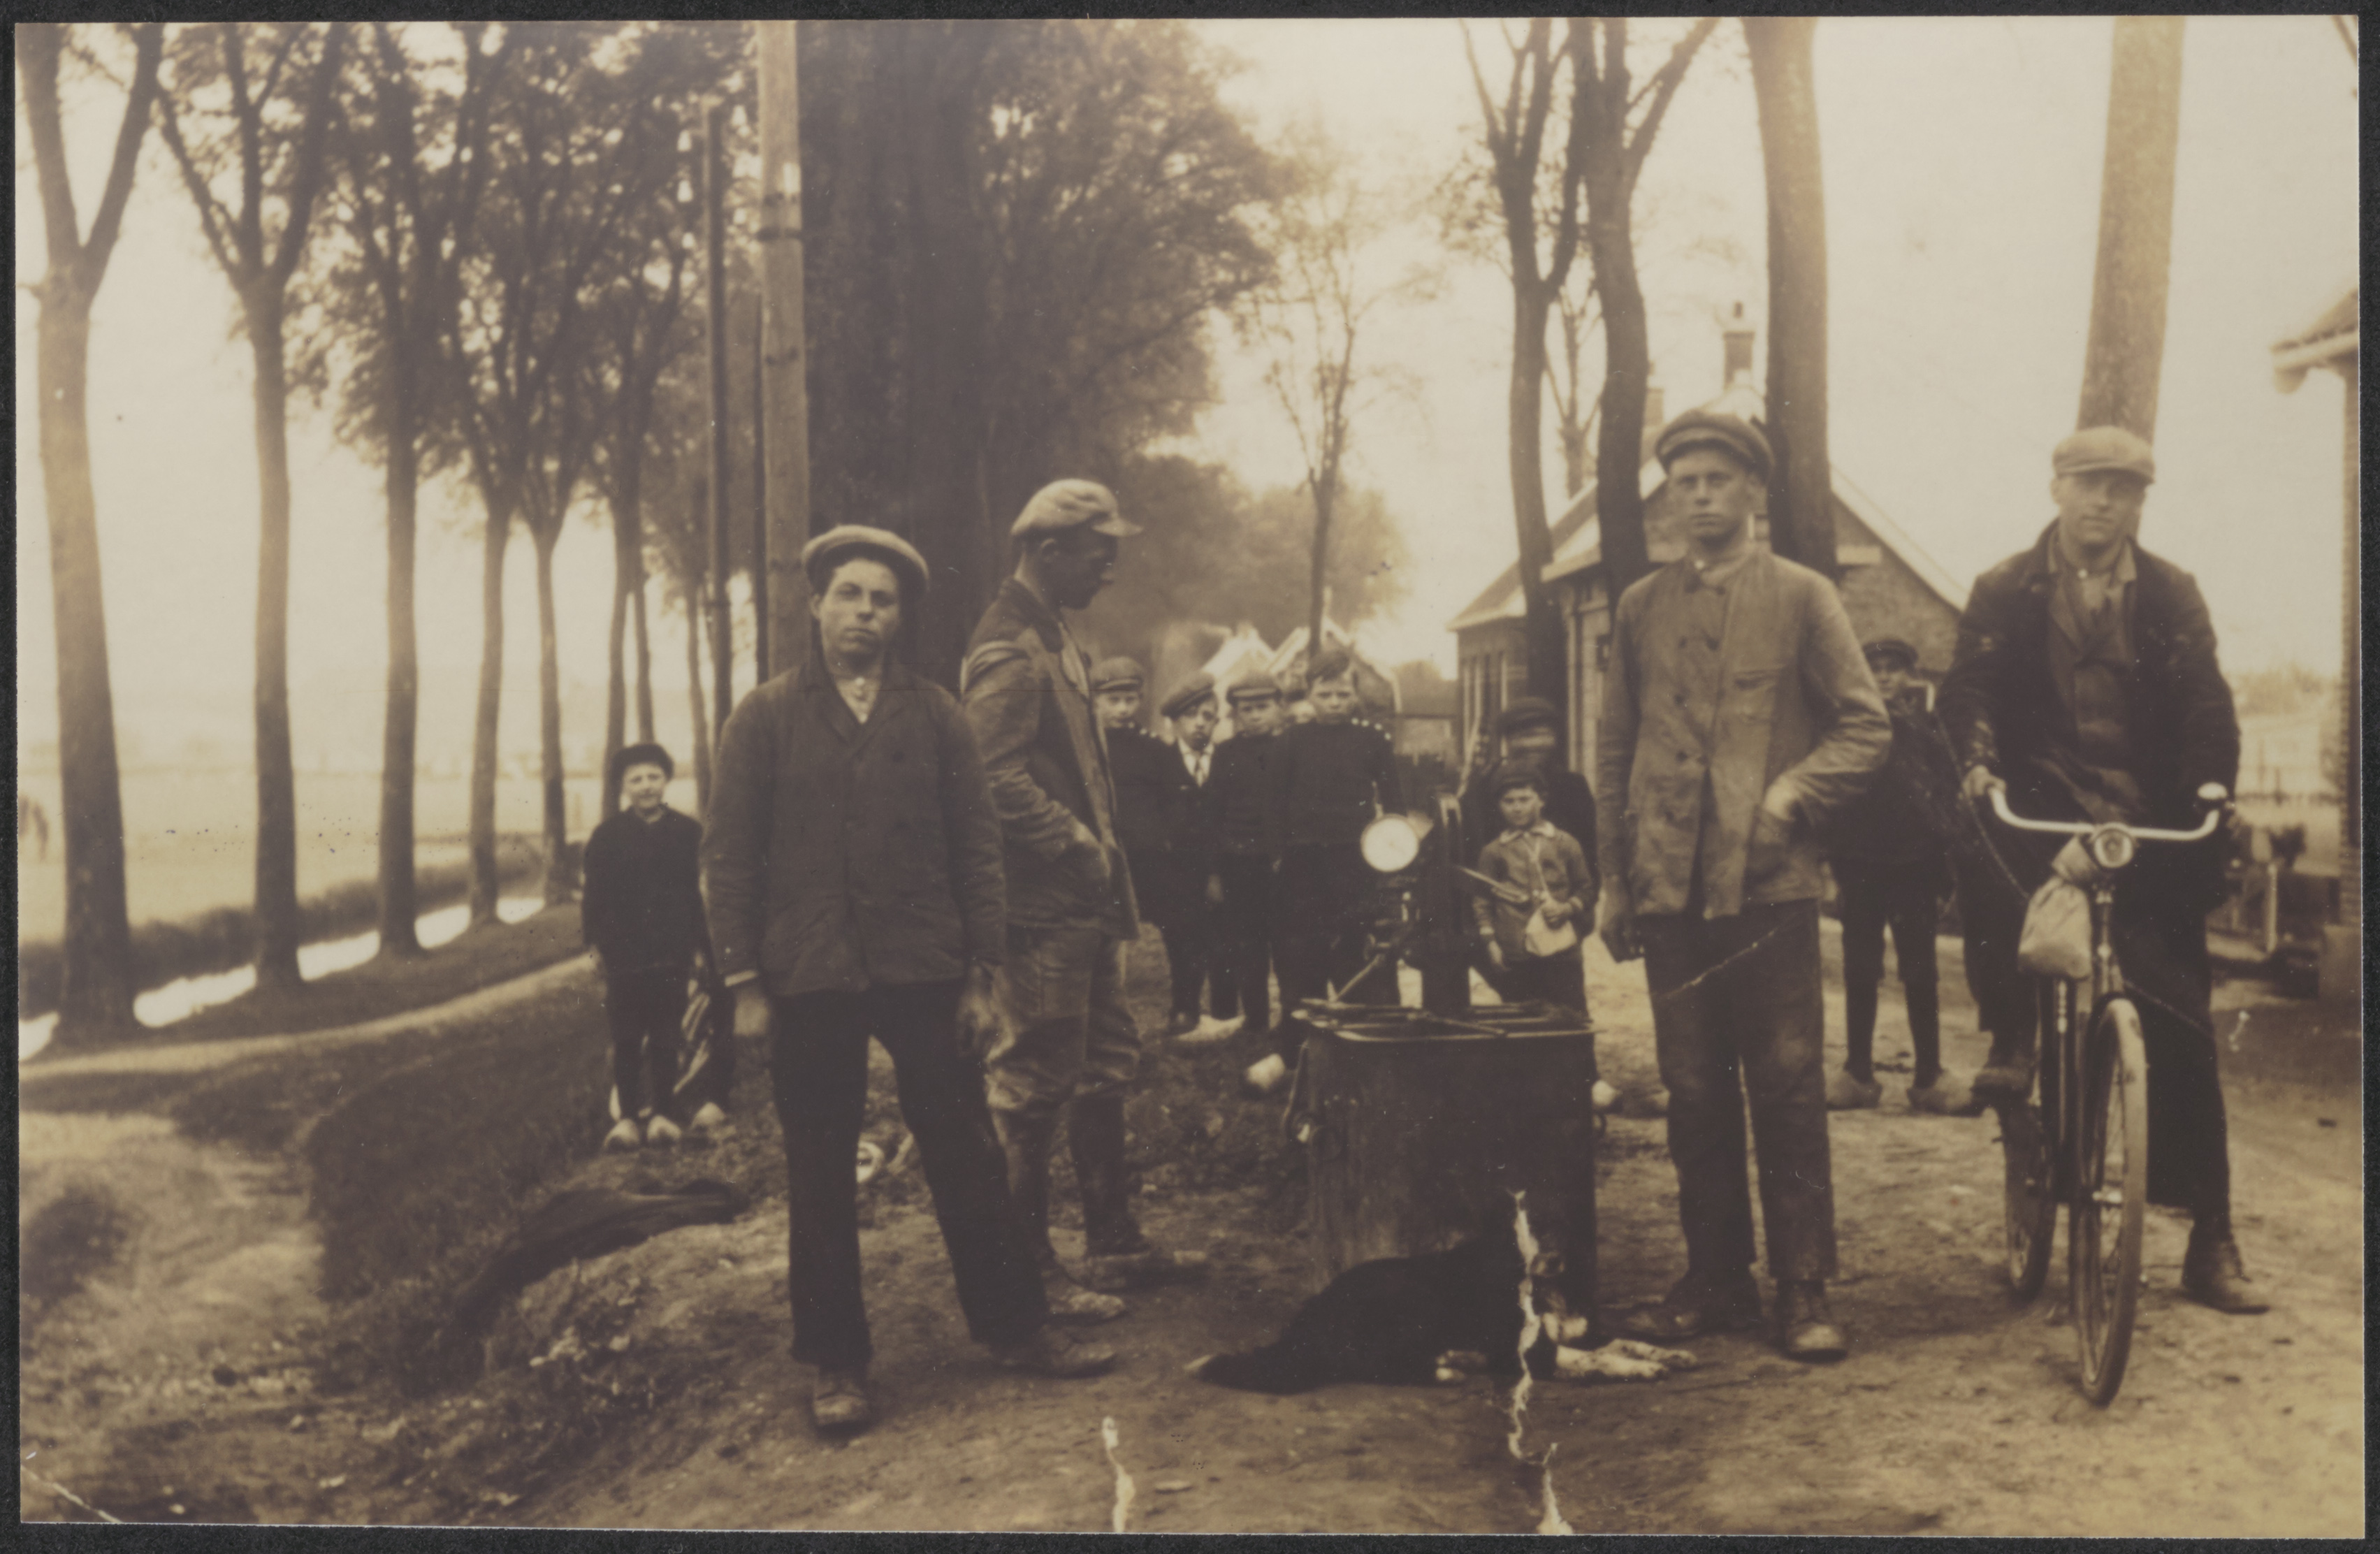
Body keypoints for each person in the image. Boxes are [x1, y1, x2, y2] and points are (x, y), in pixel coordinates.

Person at [704, 525, 1115, 1436]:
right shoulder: (763, 718)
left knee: (964, 1149)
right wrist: (744, 985)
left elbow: (978, 850)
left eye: (882, 601)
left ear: (900, 618)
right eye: (849, 595)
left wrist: (980, 975)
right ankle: (836, 1360)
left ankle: (1014, 1326)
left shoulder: (936, 716)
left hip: (923, 968)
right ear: (816, 604)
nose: (864, 613)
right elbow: (727, 858)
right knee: (819, 1167)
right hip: (807, 972)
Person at [1940, 426, 2261, 1315]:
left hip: (2146, 822)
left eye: (2124, 489)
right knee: (1989, 858)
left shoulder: (2169, 591)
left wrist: (2209, 784)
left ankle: (2209, 1236)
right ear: (2057, 488)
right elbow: (1969, 687)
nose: (2103, 502)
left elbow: (2205, 696)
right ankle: (2012, 1034)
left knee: (2182, 1022)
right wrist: (1978, 759)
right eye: (2089, 483)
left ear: (2139, 504)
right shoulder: (2005, 588)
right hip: (2042, 807)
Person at [1595, 409, 1890, 1362]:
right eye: (1683, 483)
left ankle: (1802, 1288)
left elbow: (1865, 726)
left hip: (1769, 888)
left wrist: (1791, 796)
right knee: (1691, 1088)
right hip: (1667, 890)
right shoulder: (1639, 606)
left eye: (1717, 480)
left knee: (1788, 1083)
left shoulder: (1803, 596)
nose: (1698, 497)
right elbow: (1614, 746)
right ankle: (1715, 1279)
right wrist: (1614, 878)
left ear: (1754, 491)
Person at [962, 480, 1207, 1298]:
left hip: (1083, 905)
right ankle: (1023, 1276)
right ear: (1047, 550)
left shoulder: (1054, 633)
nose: (1109, 571)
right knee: (1031, 1084)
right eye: (1098, 555)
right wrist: (1071, 839)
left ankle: (1112, 1241)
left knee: (1104, 1063)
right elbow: (987, 778)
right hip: (1039, 909)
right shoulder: (1009, 647)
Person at [1821, 639, 1971, 1116]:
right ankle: (1858, 1074)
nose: (1884, 676)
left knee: (1921, 970)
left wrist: (1945, 874)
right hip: (1860, 864)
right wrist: (1831, 866)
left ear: (1910, 676)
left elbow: (1946, 800)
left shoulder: (1928, 731)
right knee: (1860, 969)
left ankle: (1928, 1077)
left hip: (1915, 867)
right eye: (1875, 668)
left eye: (1893, 668)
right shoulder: (1848, 729)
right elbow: (1832, 796)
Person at [1246, 648, 1401, 1096]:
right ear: (1310, 695)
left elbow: (1395, 805)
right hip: (1303, 868)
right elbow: (1273, 807)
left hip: (1357, 865)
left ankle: (1369, 1050)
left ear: (1355, 695)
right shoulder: (1290, 742)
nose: (1334, 703)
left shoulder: (1373, 740)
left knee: (1360, 955)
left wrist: (1390, 856)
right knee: (1300, 959)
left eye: (1343, 694)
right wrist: (1280, 859)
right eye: (1325, 694)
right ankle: (1297, 1052)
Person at [582, 742, 713, 1151]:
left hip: (672, 953)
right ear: (623, 786)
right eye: (636, 779)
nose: (646, 786)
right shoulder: (607, 837)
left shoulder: (688, 833)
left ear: (667, 780)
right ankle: (626, 1120)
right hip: (623, 956)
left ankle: (662, 1114)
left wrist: (700, 948)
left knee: (667, 1035)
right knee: (625, 1036)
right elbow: (594, 899)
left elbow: (696, 898)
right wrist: (594, 947)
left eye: (654, 777)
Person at [1096, 657, 1208, 1039]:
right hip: (1101, 860)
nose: (1123, 709)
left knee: (1183, 926)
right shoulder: (1084, 749)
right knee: (1094, 938)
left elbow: (1178, 800)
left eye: (1130, 700)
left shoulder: (1154, 750)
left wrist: (1165, 838)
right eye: (1113, 700)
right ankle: (1096, 1016)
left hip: (1150, 859)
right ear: (1095, 702)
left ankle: (1185, 1008)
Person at [1204, 671, 1287, 1048]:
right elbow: (1213, 815)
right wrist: (1214, 873)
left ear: (1279, 707)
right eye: (1247, 709)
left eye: (1263, 707)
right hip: (1239, 862)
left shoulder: (1290, 748)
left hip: (1281, 864)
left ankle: (1290, 1019)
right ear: (1236, 713)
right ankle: (1256, 1020)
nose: (1255, 716)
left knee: (1286, 945)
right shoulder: (1226, 754)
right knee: (1248, 945)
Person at [1472, 767, 1593, 1019]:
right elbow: (1482, 902)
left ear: (1541, 800)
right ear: (1499, 805)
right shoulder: (1494, 852)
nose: (1517, 808)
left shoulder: (1565, 843)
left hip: (1561, 950)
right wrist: (1491, 944)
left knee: (1571, 1017)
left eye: (1524, 799)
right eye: (1509, 801)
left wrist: (1567, 908)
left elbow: (1586, 889)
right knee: (1522, 1018)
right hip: (1517, 953)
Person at [1157, 671, 1239, 1040]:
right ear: (1174, 722)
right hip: (1177, 871)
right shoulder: (1161, 763)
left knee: (1224, 939)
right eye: (1190, 716)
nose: (1199, 724)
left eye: (1208, 716)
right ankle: (1184, 1008)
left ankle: (1225, 1010)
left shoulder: (1227, 762)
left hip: (1222, 867)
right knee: (1182, 941)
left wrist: (1218, 869)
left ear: (1217, 722)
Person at [1460, 696, 1597, 867]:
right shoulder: (1484, 786)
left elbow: (1588, 853)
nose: (1536, 744)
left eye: (1545, 735)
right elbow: (1470, 852)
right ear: (1508, 741)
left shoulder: (1573, 787)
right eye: (1526, 736)